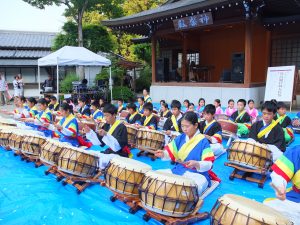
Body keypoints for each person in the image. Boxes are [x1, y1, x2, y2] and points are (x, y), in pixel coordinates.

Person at [155, 111, 215, 194]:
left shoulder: (203, 141)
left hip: (197, 174)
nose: (184, 129)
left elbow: (209, 164)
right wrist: (163, 154)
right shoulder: (181, 137)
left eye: (187, 126)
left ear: (196, 125)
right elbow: (171, 152)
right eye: (182, 126)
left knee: (191, 189)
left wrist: (197, 163)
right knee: (156, 176)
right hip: (179, 170)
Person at [264, 146, 300, 224]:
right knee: (268, 209)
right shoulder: (296, 152)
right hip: (296, 198)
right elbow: (280, 174)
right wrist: (280, 186)